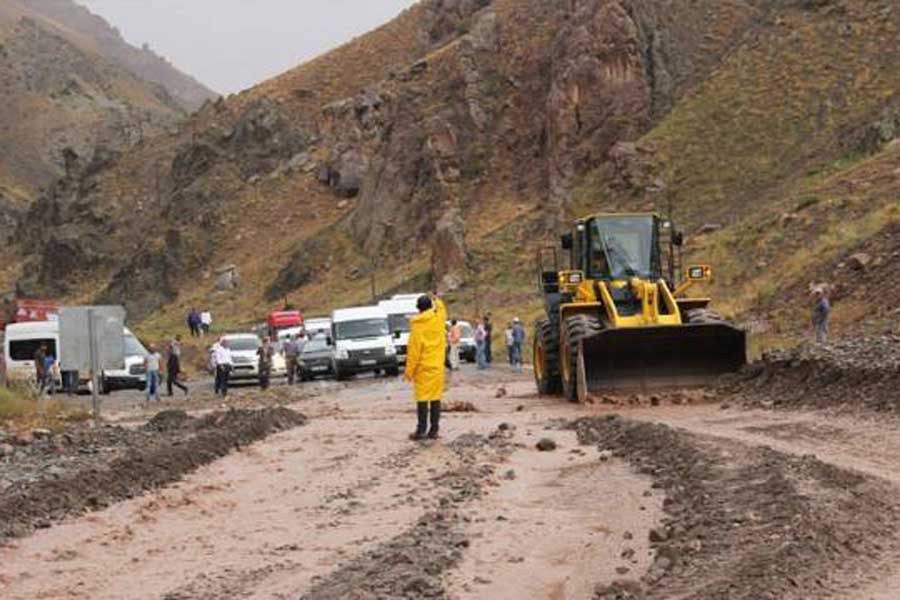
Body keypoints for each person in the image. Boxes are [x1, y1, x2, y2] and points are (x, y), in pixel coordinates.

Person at [405, 293, 448, 441]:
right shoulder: (439, 319)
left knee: (422, 400)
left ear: (418, 309)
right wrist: (436, 298)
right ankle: (434, 430)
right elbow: (442, 309)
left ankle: (421, 430)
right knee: (435, 399)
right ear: (431, 306)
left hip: (423, 369)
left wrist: (409, 372)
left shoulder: (417, 326)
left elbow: (414, 352)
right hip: (437, 368)